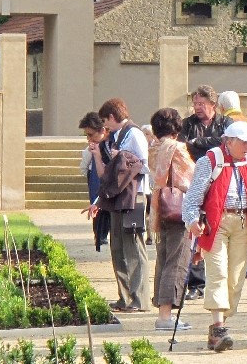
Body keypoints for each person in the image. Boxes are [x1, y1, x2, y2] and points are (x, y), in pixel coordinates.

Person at [182, 120, 247, 353]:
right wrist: (192, 220)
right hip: (217, 223)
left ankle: (217, 331)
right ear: (228, 141)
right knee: (218, 273)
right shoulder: (209, 161)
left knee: (235, 278)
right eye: (243, 142)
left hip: (244, 223)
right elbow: (193, 196)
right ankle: (219, 327)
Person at [91, 97, 151, 312]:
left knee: (133, 248)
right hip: (120, 196)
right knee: (118, 248)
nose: (104, 126)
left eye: (105, 120)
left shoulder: (134, 133)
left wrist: (123, 158)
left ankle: (139, 300)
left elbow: (146, 166)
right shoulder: (118, 135)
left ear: (112, 117)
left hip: (134, 197)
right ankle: (125, 297)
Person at [179, 85, 231, 300]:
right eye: (195, 103)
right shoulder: (187, 124)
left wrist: (197, 143)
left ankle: (221, 279)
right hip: (195, 180)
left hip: (220, 182)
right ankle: (196, 283)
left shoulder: (226, 123)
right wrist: (201, 145)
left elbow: (224, 143)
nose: (197, 108)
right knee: (196, 229)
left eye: (202, 104)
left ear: (213, 104)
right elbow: (183, 147)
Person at [148, 107, 195, 332]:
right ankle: (165, 316)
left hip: (159, 207)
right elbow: (190, 177)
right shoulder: (177, 148)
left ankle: (162, 312)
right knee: (176, 260)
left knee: (163, 259)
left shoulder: (154, 148)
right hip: (178, 207)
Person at [78, 112, 110, 251]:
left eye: (91, 135)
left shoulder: (109, 146)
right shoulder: (89, 149)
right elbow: (84, 166)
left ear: (102, 131)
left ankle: (104, 234)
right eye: (87, 135)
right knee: (95, 204)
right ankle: (99, 234)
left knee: (106, 206)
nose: (88, 138)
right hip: (94, 176)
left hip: (107, 178)